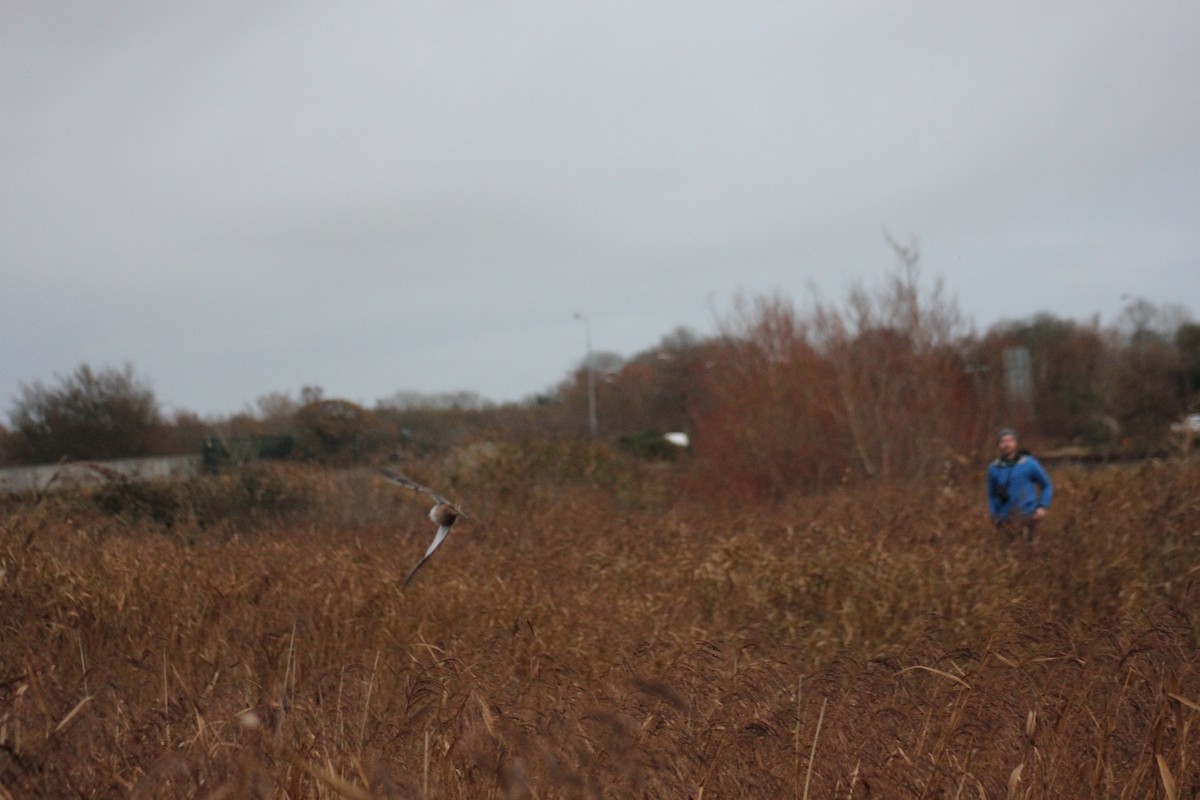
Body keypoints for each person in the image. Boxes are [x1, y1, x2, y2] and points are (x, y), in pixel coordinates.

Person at [987, 427, 1052, 541]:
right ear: (999, 445)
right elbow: (992, 494)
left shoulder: (1029, 463)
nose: (1006, 444)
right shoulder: (993, 468)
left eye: (1010, 440)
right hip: (1004, 520)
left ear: (1016, 443)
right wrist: (993, 514)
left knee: (1028, 551)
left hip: (1028, 517)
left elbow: (1047, 486)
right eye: (1003, 441)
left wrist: (1042, 506)